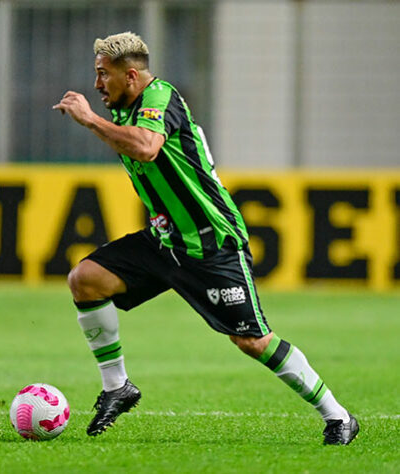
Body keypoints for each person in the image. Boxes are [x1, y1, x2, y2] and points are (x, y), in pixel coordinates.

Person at [53, 31, 358, 445]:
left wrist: (89, 119)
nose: (96, 85)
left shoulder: (160, 97)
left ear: (130, 76)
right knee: (86, 280)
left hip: (211, 241)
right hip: (165, 239)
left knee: (252, 340)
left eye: (102, 75)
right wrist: (99, 120)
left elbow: (146, 148)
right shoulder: (123, 113)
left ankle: (338, 417)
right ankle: (117, 387)